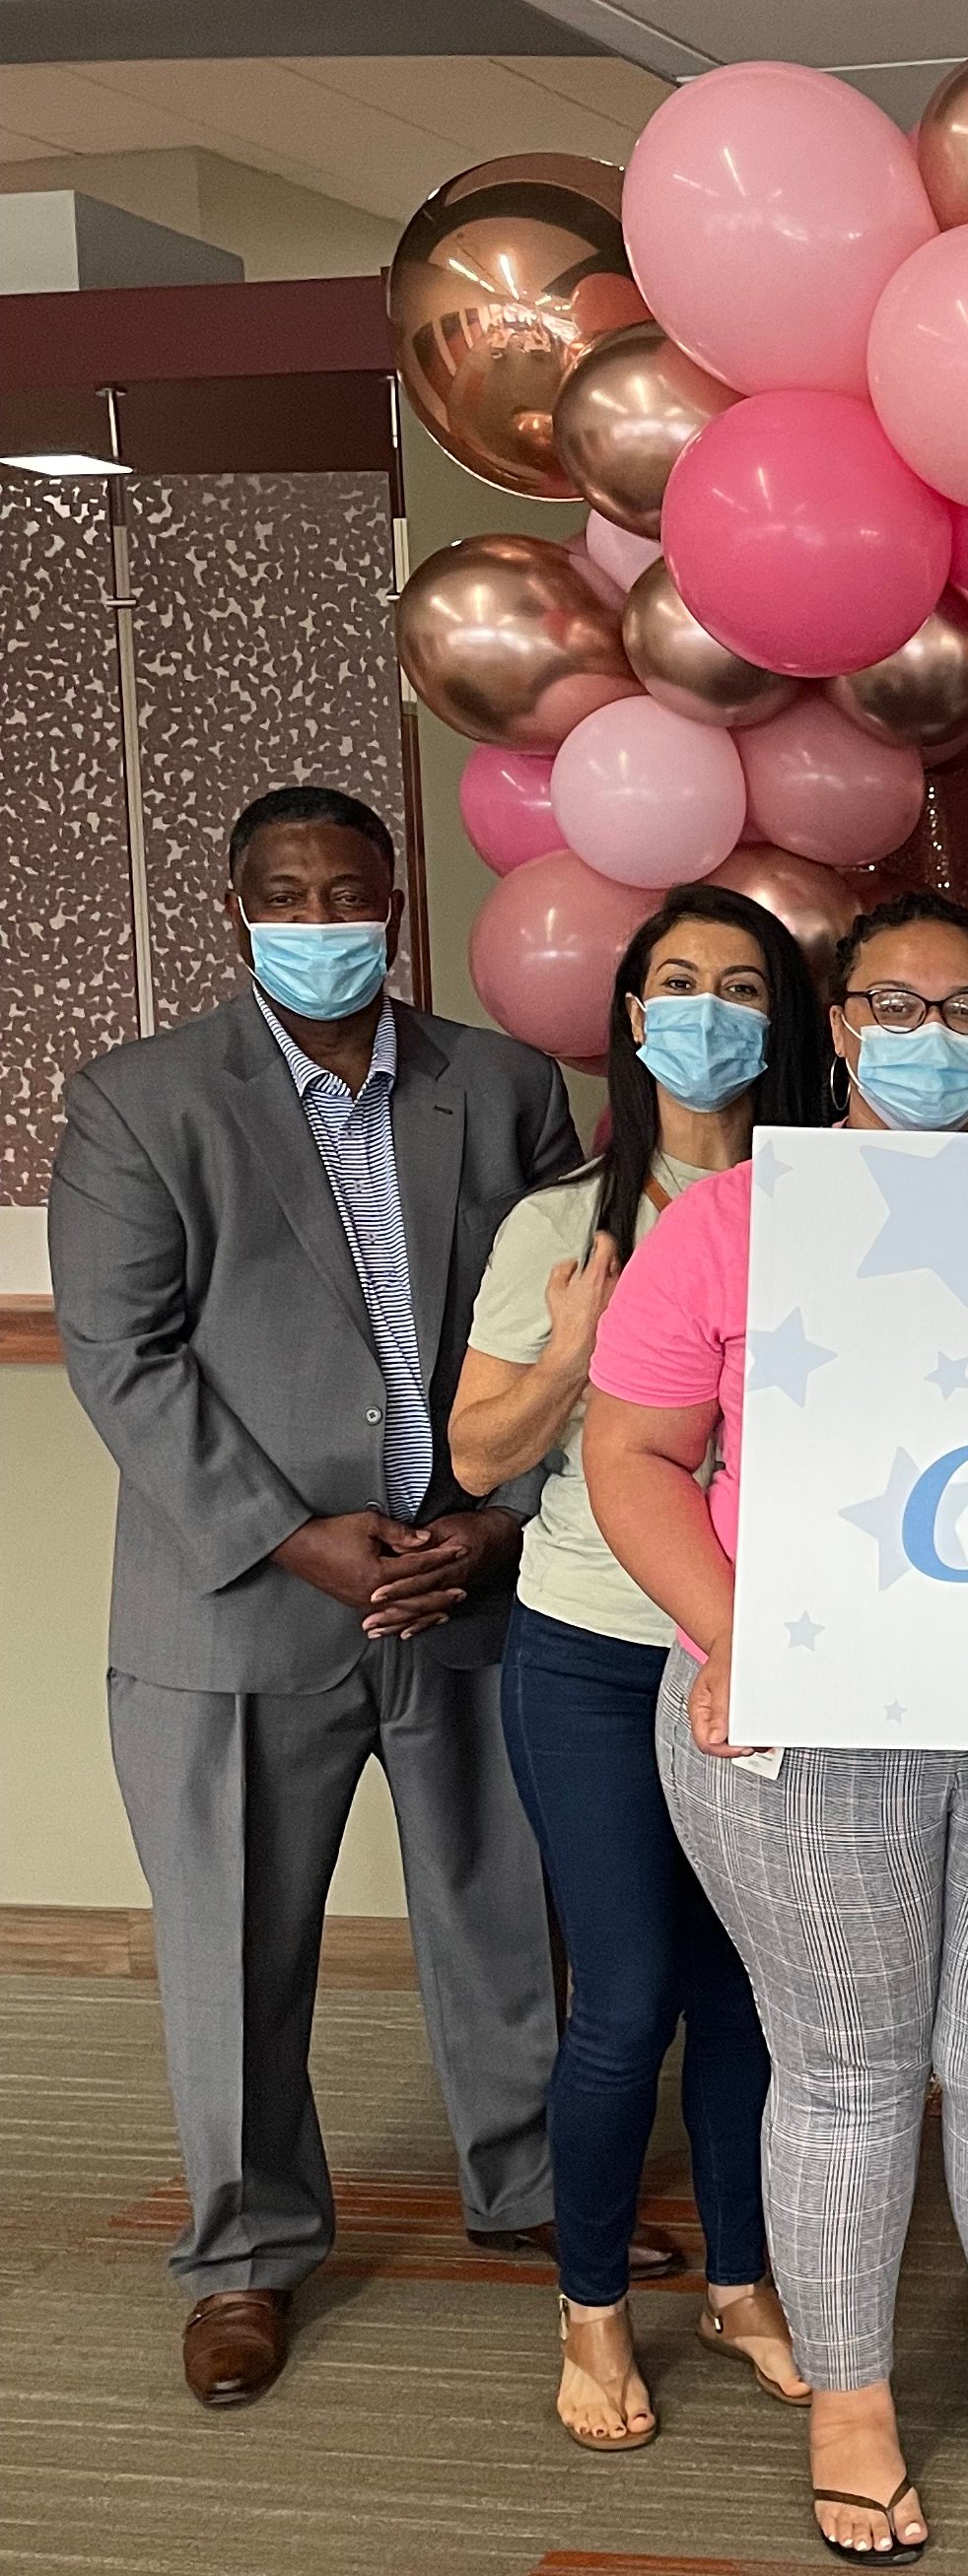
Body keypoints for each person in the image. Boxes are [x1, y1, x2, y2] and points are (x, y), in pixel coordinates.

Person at [584, 890, 968, 2561]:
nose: (929, 1038)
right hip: (805, 1714)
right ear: (834, 1029)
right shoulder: (728, 1225)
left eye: (966, 1011)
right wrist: (738, 1633)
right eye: (893, 1005)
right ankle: (850, 2400)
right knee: (844, 2071)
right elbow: (631, 1455)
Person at [50, 783, 577, 2408]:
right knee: (234, 1943)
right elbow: (125, 1361)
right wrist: (299, 1537)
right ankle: (245, 2254)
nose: (320, 920)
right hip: (239, 1604)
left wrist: (494, 1524)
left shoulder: (502, 1087)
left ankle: (530, 2184)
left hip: (465, 1579)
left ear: (396, 904)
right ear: (238, 911)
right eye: (285, 895)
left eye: (348, 893)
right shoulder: (142, 1101)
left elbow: (571, 1327)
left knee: (506, 1906)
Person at [450, 884, 828, 2453]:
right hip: (598, 1656)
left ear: (787, 1019)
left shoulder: (840, 1206)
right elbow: (479, 1458)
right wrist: (571, 1347)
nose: (706, 1015)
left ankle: (742, 2283)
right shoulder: (563, 1222)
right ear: (628, 1014)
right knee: (625, 2001)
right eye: (678, 982)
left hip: (777, 1657)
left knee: (749, 1995)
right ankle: (592, 2308)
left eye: (742, 986)